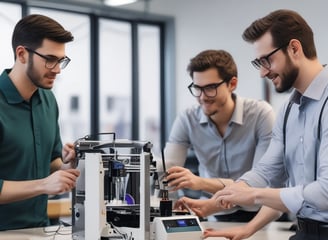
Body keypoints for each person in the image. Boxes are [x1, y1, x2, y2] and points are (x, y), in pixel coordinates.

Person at [176, 9, 328, 240]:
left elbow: (325, 193)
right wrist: (215, 203)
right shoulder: (289, 110)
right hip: (305, 232)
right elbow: (267, 171)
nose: (263, 72)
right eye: (259, 63)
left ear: (294, 48)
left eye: (267, 60)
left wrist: (254, 196)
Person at [160, 49, 275, 222]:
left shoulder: (261, 114)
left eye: (210, 88)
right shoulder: (187, 118)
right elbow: (169, 171)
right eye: (197, 88)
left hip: (259, 216)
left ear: (232, 84)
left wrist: (200, 183)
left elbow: (261, 182)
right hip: (210, 213)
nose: (203, 97)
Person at [0, 14, 80, 231]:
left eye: (61, 60)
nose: (57, 69)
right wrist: (43, 185)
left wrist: (66, 164)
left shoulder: (48, 100)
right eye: (50, 59)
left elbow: (50, 162)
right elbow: (44, 182)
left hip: (40, 229)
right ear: (22, 54)